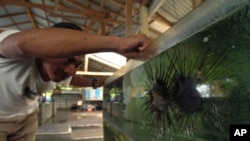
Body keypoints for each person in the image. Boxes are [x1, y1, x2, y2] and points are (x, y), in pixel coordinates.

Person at [0, 22, 151, 141]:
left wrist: (93, 83)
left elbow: (72, 79)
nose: (71, 70)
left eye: (78, 64)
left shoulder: (60, 74)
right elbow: (20, 44)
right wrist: (117, 43)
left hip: (27, 117)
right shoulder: (14, 51)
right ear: (45, 50)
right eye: (68, 59)